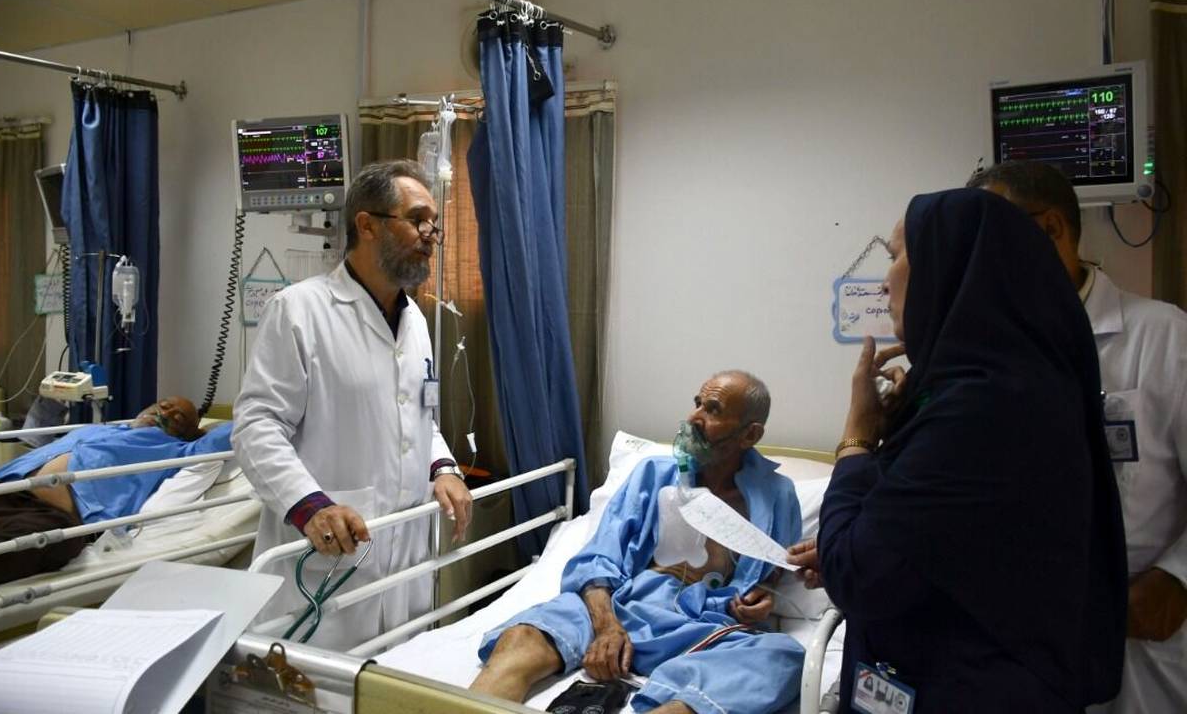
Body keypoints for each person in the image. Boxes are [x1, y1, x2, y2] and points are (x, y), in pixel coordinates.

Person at [815, 189, 1126, 712]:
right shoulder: (990, 388)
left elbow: (856, 574)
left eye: (896, 256)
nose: (884, 282)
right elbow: (932, 540)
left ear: (950, 267)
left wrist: (857, 436)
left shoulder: (983, 411)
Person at [969, 160, 1187, 713]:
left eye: (989, 239)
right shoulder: (989, 347)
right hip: (1025, 632)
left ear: (1050, 230)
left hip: (1141, 627)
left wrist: (1178, 577)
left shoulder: (1163, 337)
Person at [233, 159, 473, 650]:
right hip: (326, 559)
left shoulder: (416, 322)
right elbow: (257, 426)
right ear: (367, 225)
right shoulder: (299, 311)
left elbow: (420, 416)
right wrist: (310, 507)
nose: (431, 235)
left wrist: (444, 468)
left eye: (434, 224)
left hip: (403, 563)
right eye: (418, 220)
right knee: (321, 679)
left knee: (395, 672)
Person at [469, 371, 806, 714]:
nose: (694, 417)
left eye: (713, 410)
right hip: (621, 603)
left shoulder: (777, 496)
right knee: (522, 637)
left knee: (784, 658)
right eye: (697, 404)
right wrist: (606, 628)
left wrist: (760, 597)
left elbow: (770, 572)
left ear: (750, 434)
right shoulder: (653, 474)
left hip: (701, 625)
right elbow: (598, 560)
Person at [0, 396, 224, 585]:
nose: (165, 414)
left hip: (49, 514)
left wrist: (204, 431)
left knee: (50, 542)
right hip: (2, 486)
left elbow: (230, 433)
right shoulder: (93, 430)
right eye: (163, 406)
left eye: (178, 418)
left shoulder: (177, 450)